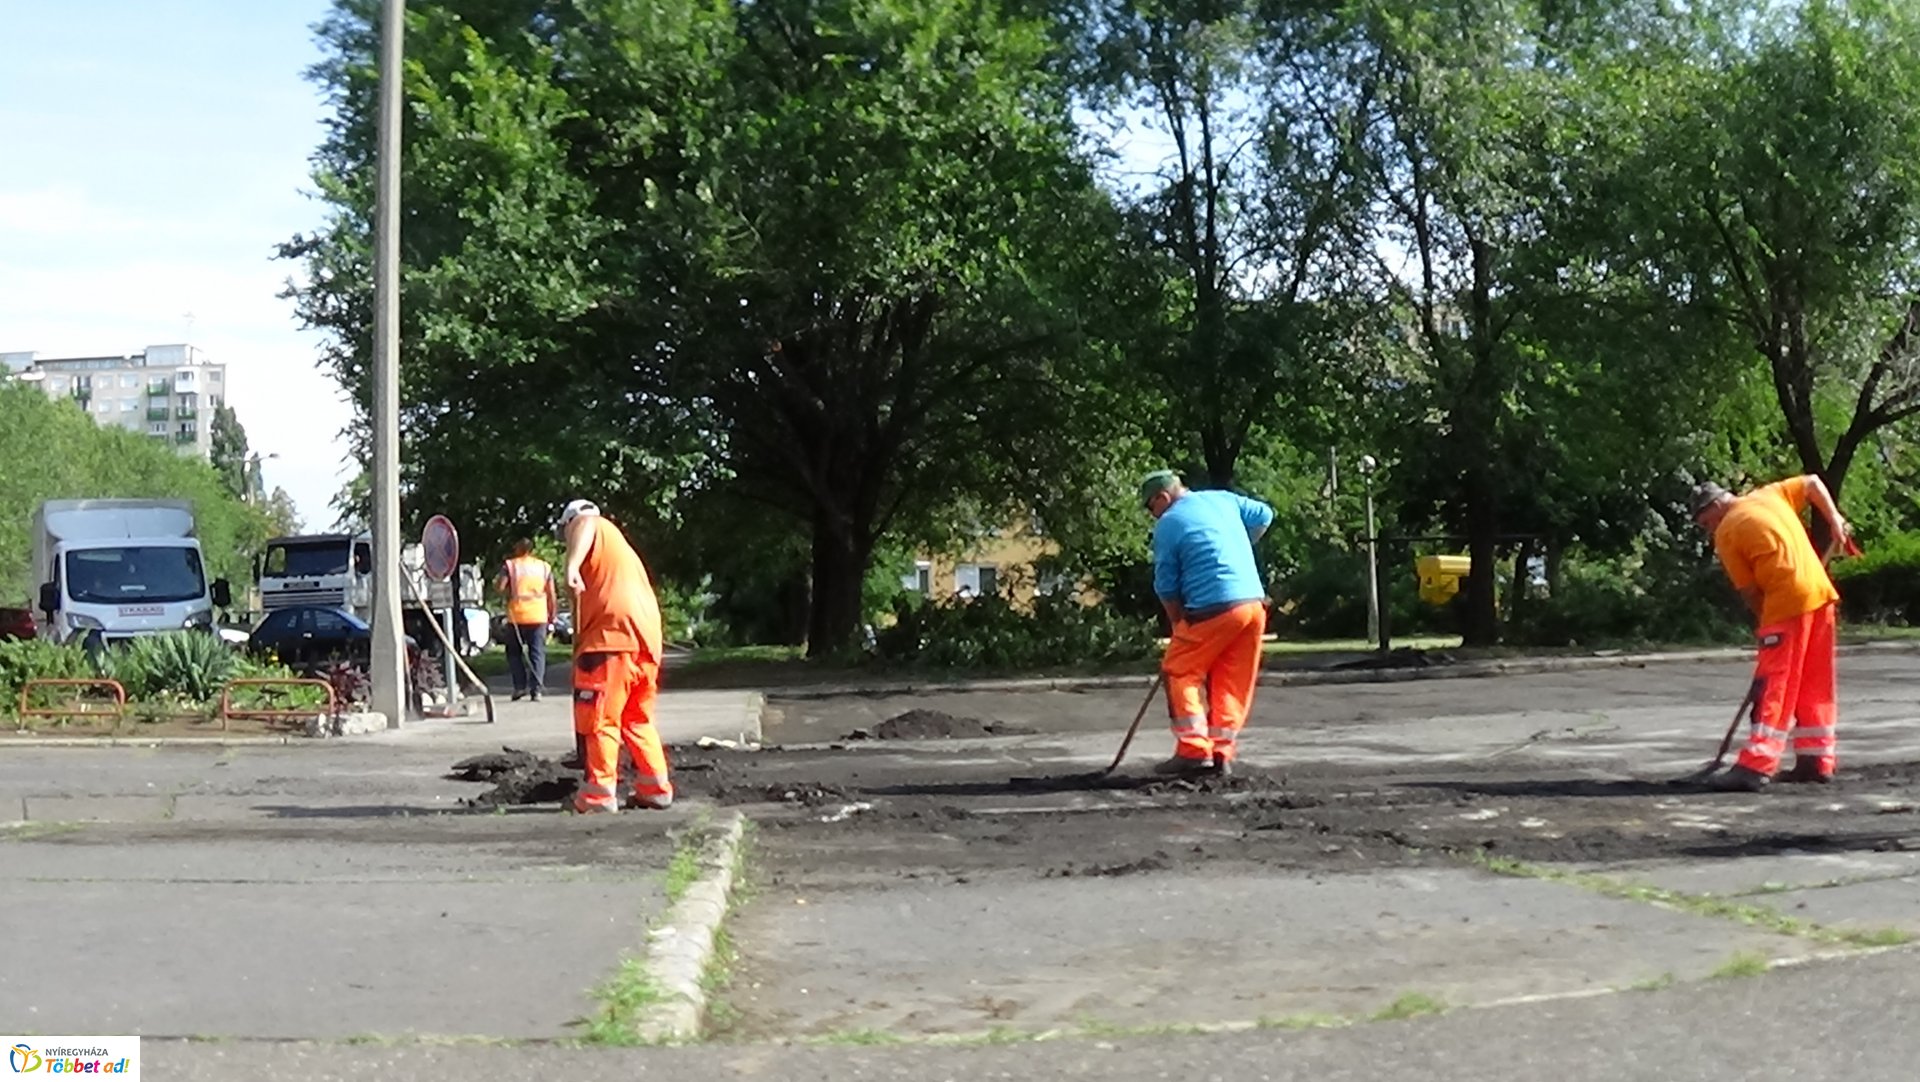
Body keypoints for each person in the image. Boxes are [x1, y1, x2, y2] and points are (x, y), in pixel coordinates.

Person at [1691, 475, 1853, 791]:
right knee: (1813, 682)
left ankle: (1755, 765)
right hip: (1821, 597)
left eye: (1705, 522)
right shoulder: (1771, 495)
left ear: (1716, 505)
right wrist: (1834, 518)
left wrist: (1765, 624)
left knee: (1774, 685)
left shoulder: (1728, 532)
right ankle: (1816, 760)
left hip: (1787, 604)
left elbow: (1750, 592)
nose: (1707, 529)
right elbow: (1813, 483)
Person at [1141, 469, 1274, 777]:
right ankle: (1222, 752)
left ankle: (1192, 750)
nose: (1152, 515)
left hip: (1212, 608)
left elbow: (1166, 586)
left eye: (1151, 507)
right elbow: (1265, 515)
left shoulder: (1169, 524)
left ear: (1162, 498)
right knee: (1231, 680)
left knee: (1179, 671)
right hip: (1253, 605)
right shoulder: (1223, 500)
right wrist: (1240, 545)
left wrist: (1178, 625)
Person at [558, 499, 672, 812]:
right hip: (644, 641)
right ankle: (655, 788)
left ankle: (598, 795)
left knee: (600, 719)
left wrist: (570, 566)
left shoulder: (591, 526)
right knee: (637, 718)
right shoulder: (620, 554)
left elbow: (587, 521)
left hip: (611, 640)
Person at [494, 539, 558, 702]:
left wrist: (503, 589)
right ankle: (536, 690)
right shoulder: (544, 567)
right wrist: (553, 615)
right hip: (538, 615)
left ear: (518, 548)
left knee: (514, 653)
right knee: (537, 653)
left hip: (517, 616)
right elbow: (551, 593)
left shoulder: (510, 565)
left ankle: (519, 687)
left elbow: (500, 587)